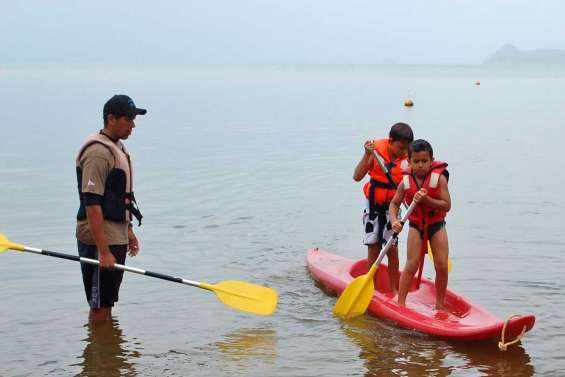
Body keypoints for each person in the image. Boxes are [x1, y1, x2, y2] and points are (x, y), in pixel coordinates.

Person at [75, 94, 146, 321]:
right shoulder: (97, 153)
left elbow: (117, 198)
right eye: (129, 119)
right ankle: (98, 354)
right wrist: (103, 251)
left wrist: (128, 230)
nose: (133, 125)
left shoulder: (117, 148)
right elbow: (92, 204)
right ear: (111, 118)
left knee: (108, 301)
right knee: (99, 305)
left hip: (115, 236)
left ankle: (108, 351)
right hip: (99, 240)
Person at [389, 139, 451, 311]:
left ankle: (439, 306)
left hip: (436, 225)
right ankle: (400, 302)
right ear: (409, 162)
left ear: (432, 161)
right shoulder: (405, 182)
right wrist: (395, 220)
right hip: (416, 226)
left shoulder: (439, 180)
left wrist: (427, 199)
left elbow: (447, 205)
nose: (421, 165)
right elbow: (394, 204)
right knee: (411, 264)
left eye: (425, 161)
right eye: (416, 161)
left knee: (442, 265)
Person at [353, 123, 414, 294]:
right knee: (373, 247)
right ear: (390, 141)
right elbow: (357, 176)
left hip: (393, 208)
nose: (404, 152)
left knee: (392, 249)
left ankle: (395, 290)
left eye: (406, 148)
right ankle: (368, 288)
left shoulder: (409, 159)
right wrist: (367, 154)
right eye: (401, 148)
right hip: (372, 206)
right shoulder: (375, 152)